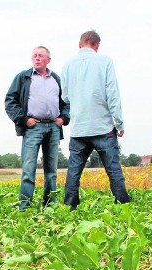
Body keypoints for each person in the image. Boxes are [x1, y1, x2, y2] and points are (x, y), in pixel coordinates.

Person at [61, 30, 131, 210]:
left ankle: (70, 206)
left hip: (79, 128)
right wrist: (119, 123)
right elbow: (112, 94)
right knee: (113, 169)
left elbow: (66, 96)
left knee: (74, 171)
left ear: (79, 44)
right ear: (97, 45)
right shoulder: (105, 62)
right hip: (103, 127)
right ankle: (123, 206)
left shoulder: (67, 65)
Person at [5, 46, 70, 210]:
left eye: (41, 56)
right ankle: (25, 207)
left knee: (51, 170)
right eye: (34, 56)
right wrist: (23, 120)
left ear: (48, 59)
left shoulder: (56, 79)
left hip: (53, 127)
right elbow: (10, 101)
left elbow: (67, 102)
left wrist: (63, 118)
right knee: (28, 169)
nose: (37, 58)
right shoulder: (23, 77)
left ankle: (50, 204)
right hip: (33, 127)